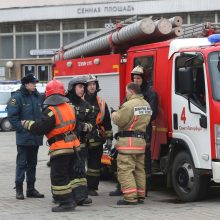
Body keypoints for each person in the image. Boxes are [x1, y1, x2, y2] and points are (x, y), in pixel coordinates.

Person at [21, 78, 80, 212]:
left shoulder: (50, 111)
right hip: (73, 146)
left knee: (59, 176)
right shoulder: (70, 107)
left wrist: (26, 124)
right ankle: (72, 198)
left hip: (60, 148)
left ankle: (66, 203)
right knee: (69, 175)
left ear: (48, 94)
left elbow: (40, 128)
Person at [109, 65, 158, 196]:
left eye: (138, 78)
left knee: (137, 165)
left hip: (140, 134)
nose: (136, 80)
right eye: (134, 78)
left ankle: (136, 193)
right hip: (136, 135)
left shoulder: (150, 94)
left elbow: (151, 114)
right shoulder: (133, 98)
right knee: (137, 167)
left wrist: (116, 114)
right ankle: (126, 189)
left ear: (144, 79)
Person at [112, 82, 151, 205]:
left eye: (127, 92)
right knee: (139, 169)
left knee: (125, 170)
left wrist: (113, 114)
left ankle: (130, 197)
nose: (126, 94)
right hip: (140, 143)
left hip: (128, 144)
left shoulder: (129, 105)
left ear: (132, 91)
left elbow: (120, 121)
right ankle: (140, 195)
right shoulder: (146, 105)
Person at [7, 73, 44, 200]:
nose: (35, 85)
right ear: (26, 84)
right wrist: (23, 130)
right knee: (22, 164)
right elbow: (12, 117)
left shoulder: (37, 96)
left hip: (36, 137)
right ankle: (19, 189)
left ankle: (31, 189)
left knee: (32, 164)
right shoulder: (17, 97)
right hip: (24, 138)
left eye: (35, 83)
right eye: (33, 83)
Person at [66, 76, 95, 205]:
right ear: (72, 88)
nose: (82, 89)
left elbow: (92, 123)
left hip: (81, 144)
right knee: (65, 170)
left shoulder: (87, 106)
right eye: (80, 87)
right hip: (65, 144)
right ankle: (63, 196)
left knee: (80, 170)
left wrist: (85, 126)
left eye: (83, 87)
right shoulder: (64, 104)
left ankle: (81, 196)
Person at [84, 75, 113, 196]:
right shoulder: (79, 100)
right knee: (79, 164)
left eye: (94, 84)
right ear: (85, 87)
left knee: (95, 165)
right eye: (89, 84)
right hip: (82, 138)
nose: (92, 86)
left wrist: (109, 138)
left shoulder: (101, 103)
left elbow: (107, 121)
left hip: (97, 137)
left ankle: (92, 187)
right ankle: (79, 187)